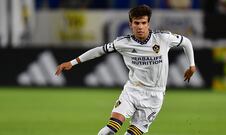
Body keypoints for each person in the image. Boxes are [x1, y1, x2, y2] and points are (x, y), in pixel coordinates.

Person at [55, 5, 196, 135]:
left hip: (155, 95)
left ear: (148, 24)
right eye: (136, 23)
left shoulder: (163, 38)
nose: (140, 27)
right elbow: (99, 51)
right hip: (132, 91)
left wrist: (192, 65)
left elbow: (186, 42)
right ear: (131, 24)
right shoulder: (123, 43)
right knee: (110, 129)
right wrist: (72, 63)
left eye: (143, 23)